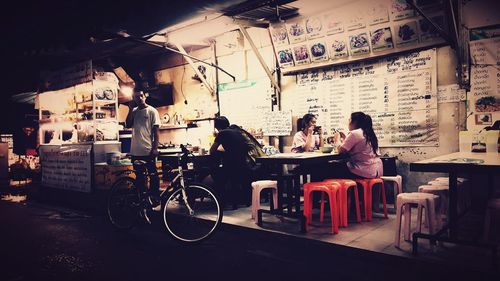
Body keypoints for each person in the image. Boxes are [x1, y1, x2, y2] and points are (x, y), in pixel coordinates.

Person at [209, 116, 259, 208]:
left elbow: (212, 151)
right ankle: (244, 201)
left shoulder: (222, 133)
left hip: (231, 167)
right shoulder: (237, 132)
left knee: (215, 175)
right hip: (244, 165)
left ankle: (222, 202)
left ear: (216, 126)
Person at [125, 89, 161, 214]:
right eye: (136, 97)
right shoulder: (134, 112)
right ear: (133, 98)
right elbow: (128, 124)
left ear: (145, 96)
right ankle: (142, 201)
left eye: (140, 95)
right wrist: (130, 110)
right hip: (135, 151)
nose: (139, 98)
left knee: (153, 176)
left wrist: (155, 148)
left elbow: (156, 132)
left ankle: (155, 200)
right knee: (139, 177)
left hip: (148, 150)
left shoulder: (152, 111)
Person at [330, 111, 383, 179]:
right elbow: (359, 146)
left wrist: (337, 139)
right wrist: (346, 138)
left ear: (354, 122)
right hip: (377, 170)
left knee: (325, 167)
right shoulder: (369, 133)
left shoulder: (355, 133)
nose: (348, 123)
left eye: (349, 120)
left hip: (364, 171)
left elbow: (340, 151)